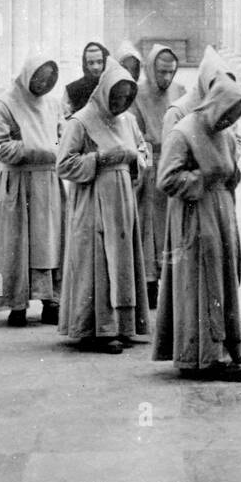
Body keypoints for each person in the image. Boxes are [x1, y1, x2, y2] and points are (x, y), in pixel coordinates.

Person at [153, 77, 241, 381]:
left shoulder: (224, 135)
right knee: (200, 282)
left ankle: (223, 348)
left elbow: (229, 172)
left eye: (235, 115)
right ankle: (202, 355)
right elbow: (167, 180)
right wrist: (201, 179)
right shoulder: (182, 132)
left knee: (221, 281)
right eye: (227, 112)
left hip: (221, 214)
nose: (229, 120)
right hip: (195, 215)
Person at [57, 56, 151, 354]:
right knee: (97, 262)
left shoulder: (129, 121)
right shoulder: (81, 121)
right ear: (104, 92)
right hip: (93, 201)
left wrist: (136, 159)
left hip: (123, 199)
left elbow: (142, 150)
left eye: (127, 98)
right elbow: (64, 164)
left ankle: (122, 325)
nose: (121, 103)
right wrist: (98, 159)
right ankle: (95, 330)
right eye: (116, 97)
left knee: (122, 261)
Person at [0, 52, 64, 327]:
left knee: (50, 242)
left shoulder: (54, 104)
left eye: (49, 81)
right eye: (39, 79)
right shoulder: (4, 104)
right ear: (27, 75)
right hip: (19, 183)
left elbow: (64, 137)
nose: (43, 85)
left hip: (48, 183)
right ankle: (16, 304)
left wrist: (49, 149)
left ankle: (51, 300)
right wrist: (37, 148)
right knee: (15, 245)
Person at [131, 43, 185, 310]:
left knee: (173, 228)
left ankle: (172, 282)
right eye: (161, 72)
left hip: (174, 164)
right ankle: (150, 283)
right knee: (149, 229)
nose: (166, 78)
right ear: (150, 69)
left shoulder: (179, 92)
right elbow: (135, 136)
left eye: (170, 72)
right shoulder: (137, 95)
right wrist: (147, 170)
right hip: (151, 168)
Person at [161, 44, 234, 139]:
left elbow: (235, 139)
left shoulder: (226, 109)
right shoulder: (177, 113)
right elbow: (170, 150)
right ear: (205, 83)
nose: (220, 94)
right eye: (216, 87)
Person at [61, 40, 110, 117]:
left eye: (100, 62)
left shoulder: (112, 86)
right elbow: (66, 120)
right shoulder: (72, 90)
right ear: (85, 65)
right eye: (91, 63)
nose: (95, 67)